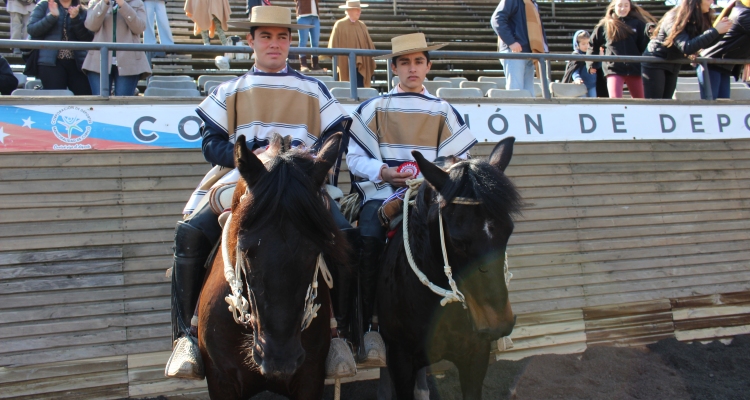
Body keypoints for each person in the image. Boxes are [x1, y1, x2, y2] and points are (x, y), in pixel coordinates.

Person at [164, 6, 358, 380]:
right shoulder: (230, 88)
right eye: (266, 36)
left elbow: (338, 136)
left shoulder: (314, 88)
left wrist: (312, 166)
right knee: (189, 231)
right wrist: (248, 158)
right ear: (250, 40)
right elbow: (210, 144)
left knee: (347, 236)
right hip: (244, 178)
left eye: (282, 36)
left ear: (291, 41)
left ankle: (341, 335)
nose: (274, 43)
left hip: (300, 183)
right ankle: (185, 335)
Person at [346, 32, 478, 367]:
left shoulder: (444, 111)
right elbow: (354, 160)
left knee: (472, 234)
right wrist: (384, 172)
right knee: (369, 236)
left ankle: (479, 316)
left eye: (419, 61)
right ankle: (368, 326)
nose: (412, 68)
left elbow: (460, 162)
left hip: (431, 196)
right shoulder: (373, 107)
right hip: (383, 193)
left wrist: (433, 180)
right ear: (393, 68)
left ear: (428, 66)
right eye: (404, 62)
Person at [642, 0, 730, 99]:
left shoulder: (700, 17)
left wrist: (719, 32)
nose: (712, 1)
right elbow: (686, 47)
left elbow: (703, 44)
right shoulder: (675, 16)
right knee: (656, 103)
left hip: (673, 62)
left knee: (666, 102)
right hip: (656, 61)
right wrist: (715, 31)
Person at [587, 0, 655, 99]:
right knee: (615, 100)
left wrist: (649, 36)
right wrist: (591, 63)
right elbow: (593, 44)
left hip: (635, 69)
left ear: (630, 7)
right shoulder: (605, 25)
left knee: (641, 101)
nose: (623, 8)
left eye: (626, 5)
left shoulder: (638, 24)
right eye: (620, 6)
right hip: (613, 69)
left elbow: (644, 46)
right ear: (614, 7)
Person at [83, 0, 151, 96]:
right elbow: (90, 25)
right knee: (100, 103)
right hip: (98, 60)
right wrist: (104, 3)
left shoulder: (137, 2)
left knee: (123, 104)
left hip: (129, 60)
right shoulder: (95, 2)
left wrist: (123, 4)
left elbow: (139, 28)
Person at [27, 0, 93, 95]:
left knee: (83, 98)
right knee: (55, 100)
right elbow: (32, 29)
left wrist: (76, 19)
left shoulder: (82, 10)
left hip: (77, 63)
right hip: (50, 62)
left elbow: (88, 38)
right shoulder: (44, 5)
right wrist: (52, 16)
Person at [491, 0, 549, 93]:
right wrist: (511, 42)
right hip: (515, 53)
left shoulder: (532, 3)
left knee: (529, 94)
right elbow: (497, 19)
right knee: (516, 91)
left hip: (531, 52)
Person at [698, 0, 750, 99]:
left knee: (722, 103)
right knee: (711, 105)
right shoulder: (743, 14)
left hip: (722, 64)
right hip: (711, 63)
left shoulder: (742, 11)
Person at [328, 0, 375, 87]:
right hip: (345, 66)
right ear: (349, 10)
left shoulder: (362, 26)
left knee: (361, 90)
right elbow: (332, 47)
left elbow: (370, 46)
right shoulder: (339, 25)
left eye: (359, 9)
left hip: (362, 67)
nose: (359, 12)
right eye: (356, 9)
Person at [562, 30, 597, 97]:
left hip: (592, 84)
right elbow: (574, 70)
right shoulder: (576, 55)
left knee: (593, 102)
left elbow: (598, 66)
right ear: (577, 44)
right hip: (581, 85)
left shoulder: (592, 53)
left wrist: (600, 56)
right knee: (582, 102)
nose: (586, 46)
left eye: (588, 43)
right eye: (583, 44)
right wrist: (577, 78)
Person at [295, 0, 322, 71]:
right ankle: (303, 64)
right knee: (303, 41)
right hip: (303, 16)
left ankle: (315, 64)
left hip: (315, 17)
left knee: (315, 42)